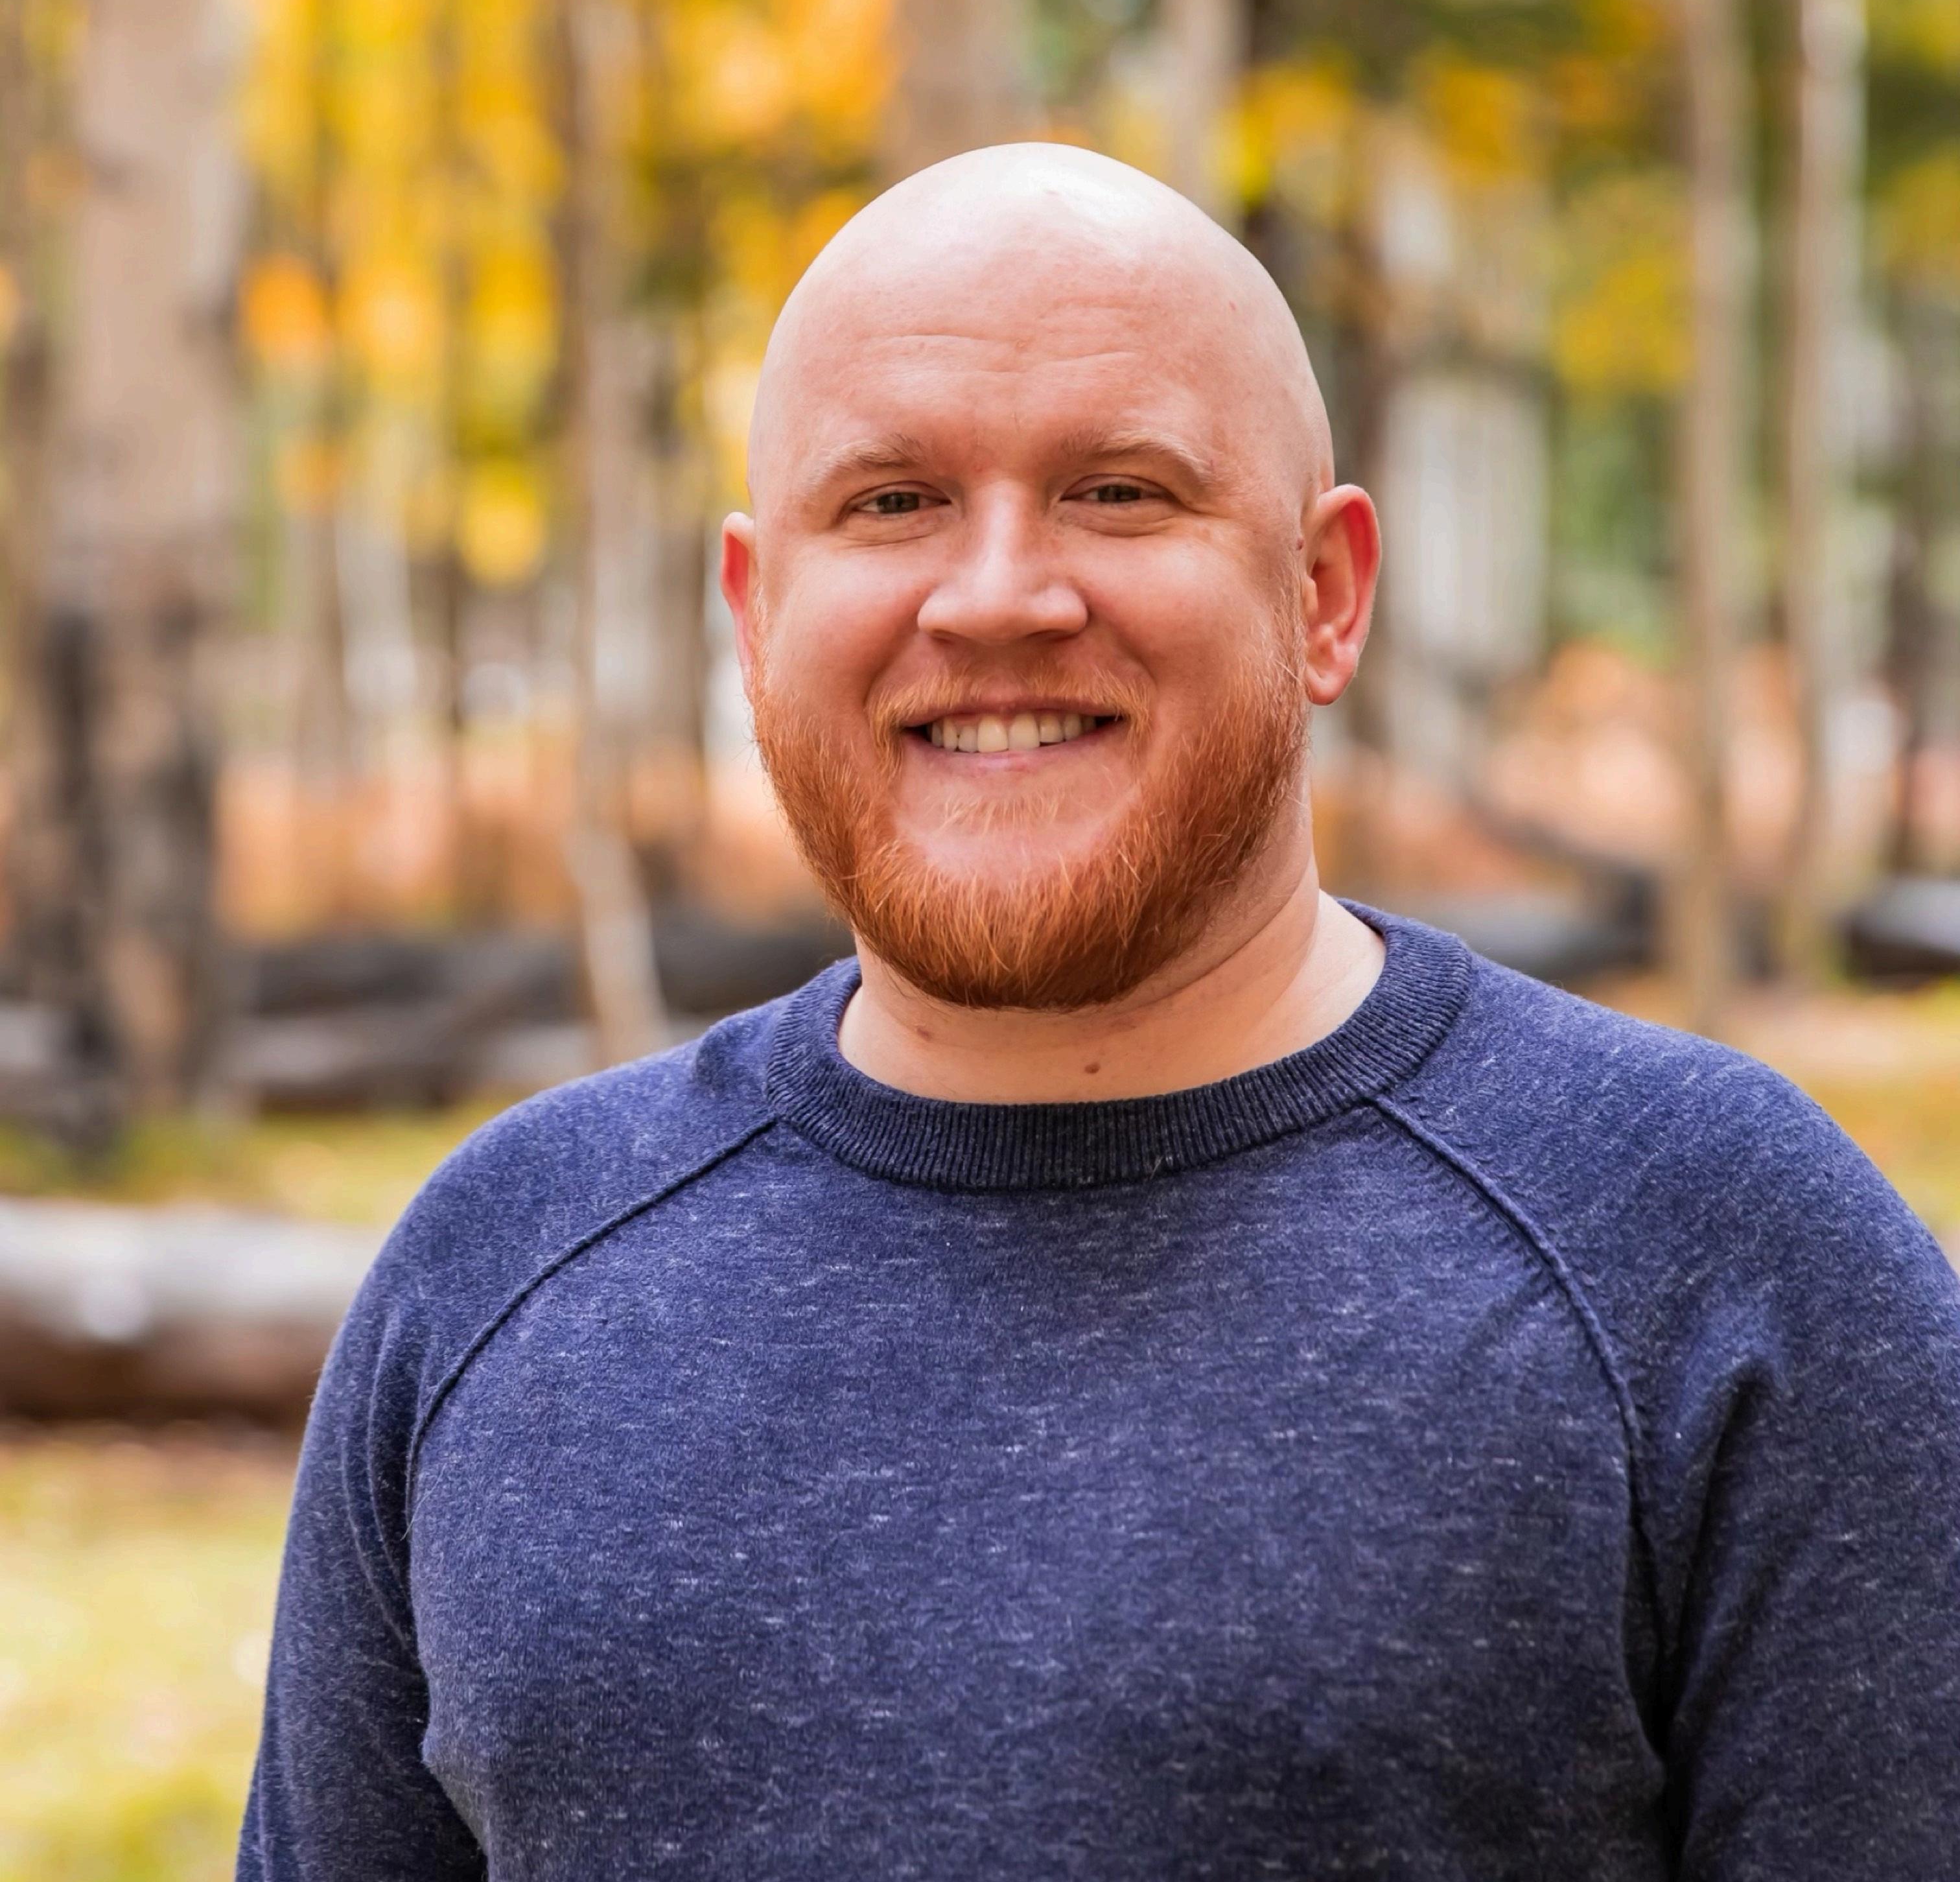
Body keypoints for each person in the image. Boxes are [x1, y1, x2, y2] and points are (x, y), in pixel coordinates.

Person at [239, 147, 1960, 1881]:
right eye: (893, 502)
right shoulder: (495, 1275)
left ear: (1324, 594)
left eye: (1119, 492)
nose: (998, 595)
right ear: (756, 618)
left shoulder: (1715, 1256)